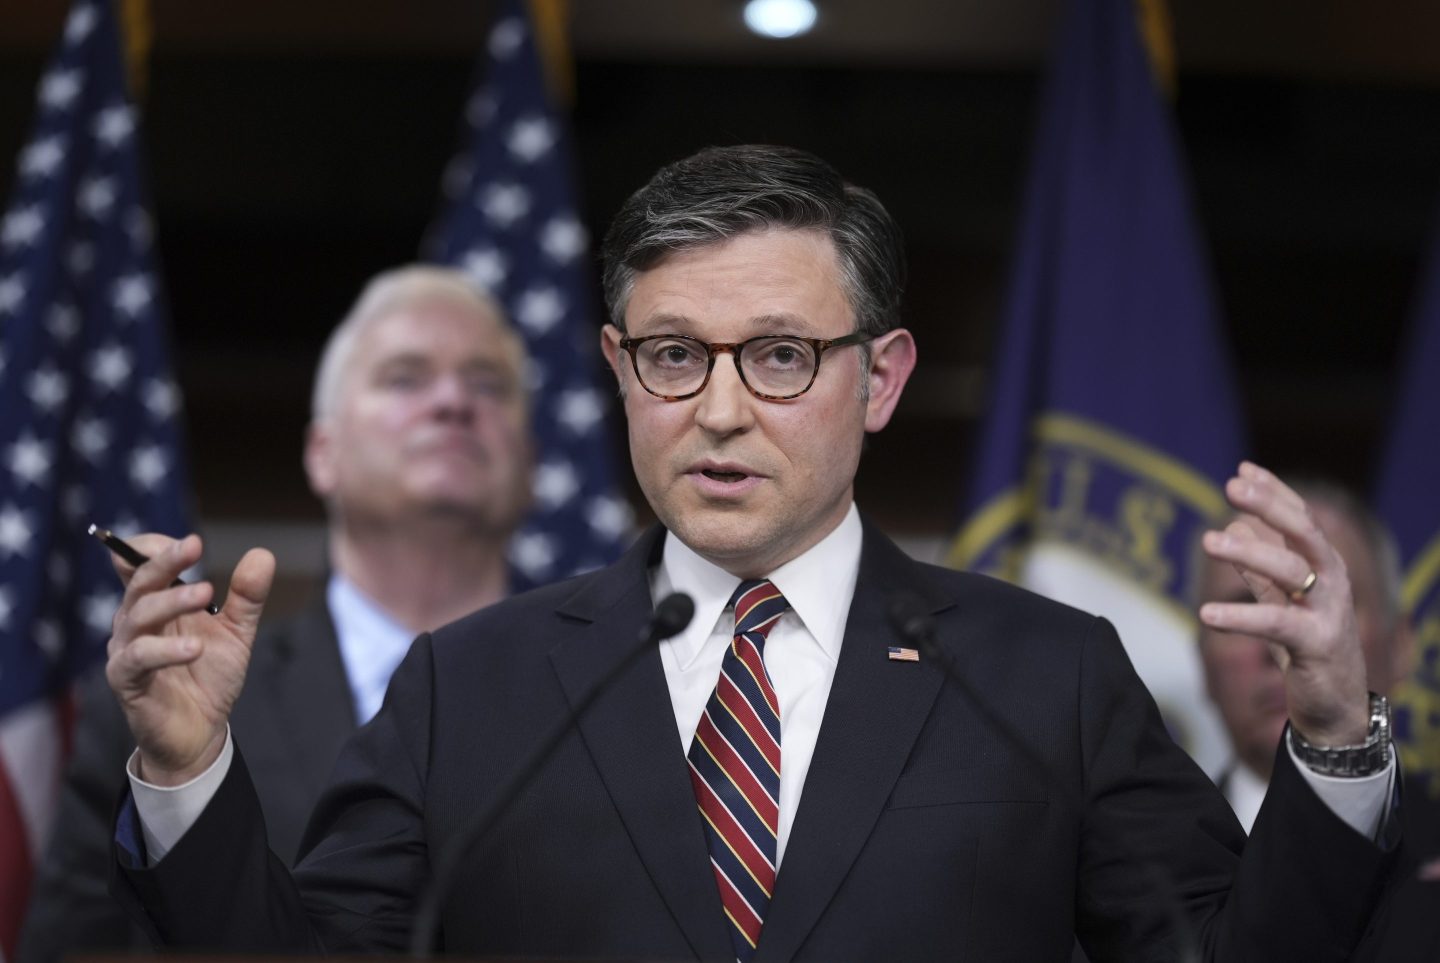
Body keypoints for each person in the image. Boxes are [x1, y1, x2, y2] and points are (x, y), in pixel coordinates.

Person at [102, 146, 1398, 961]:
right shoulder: (470, 687)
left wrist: (1336, 741)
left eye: (780, 355)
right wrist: (185, 767)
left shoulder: (1041, 677)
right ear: (617, 371)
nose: (719, 408)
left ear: (881, 378)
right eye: (674, 355)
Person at [17, 265, 533, 962]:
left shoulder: (625, 684)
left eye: (487, 383)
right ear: (323, 454)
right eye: (406, 377)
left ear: (531, 457)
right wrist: (185, 767)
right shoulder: (172, 695)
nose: (453, 401)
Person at [1197, 480, 1415, 833]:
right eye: (1245, 606)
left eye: (1316, 605)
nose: (1282, 640)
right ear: (1202, 660)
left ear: (1400, 649)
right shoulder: (1138, 869)